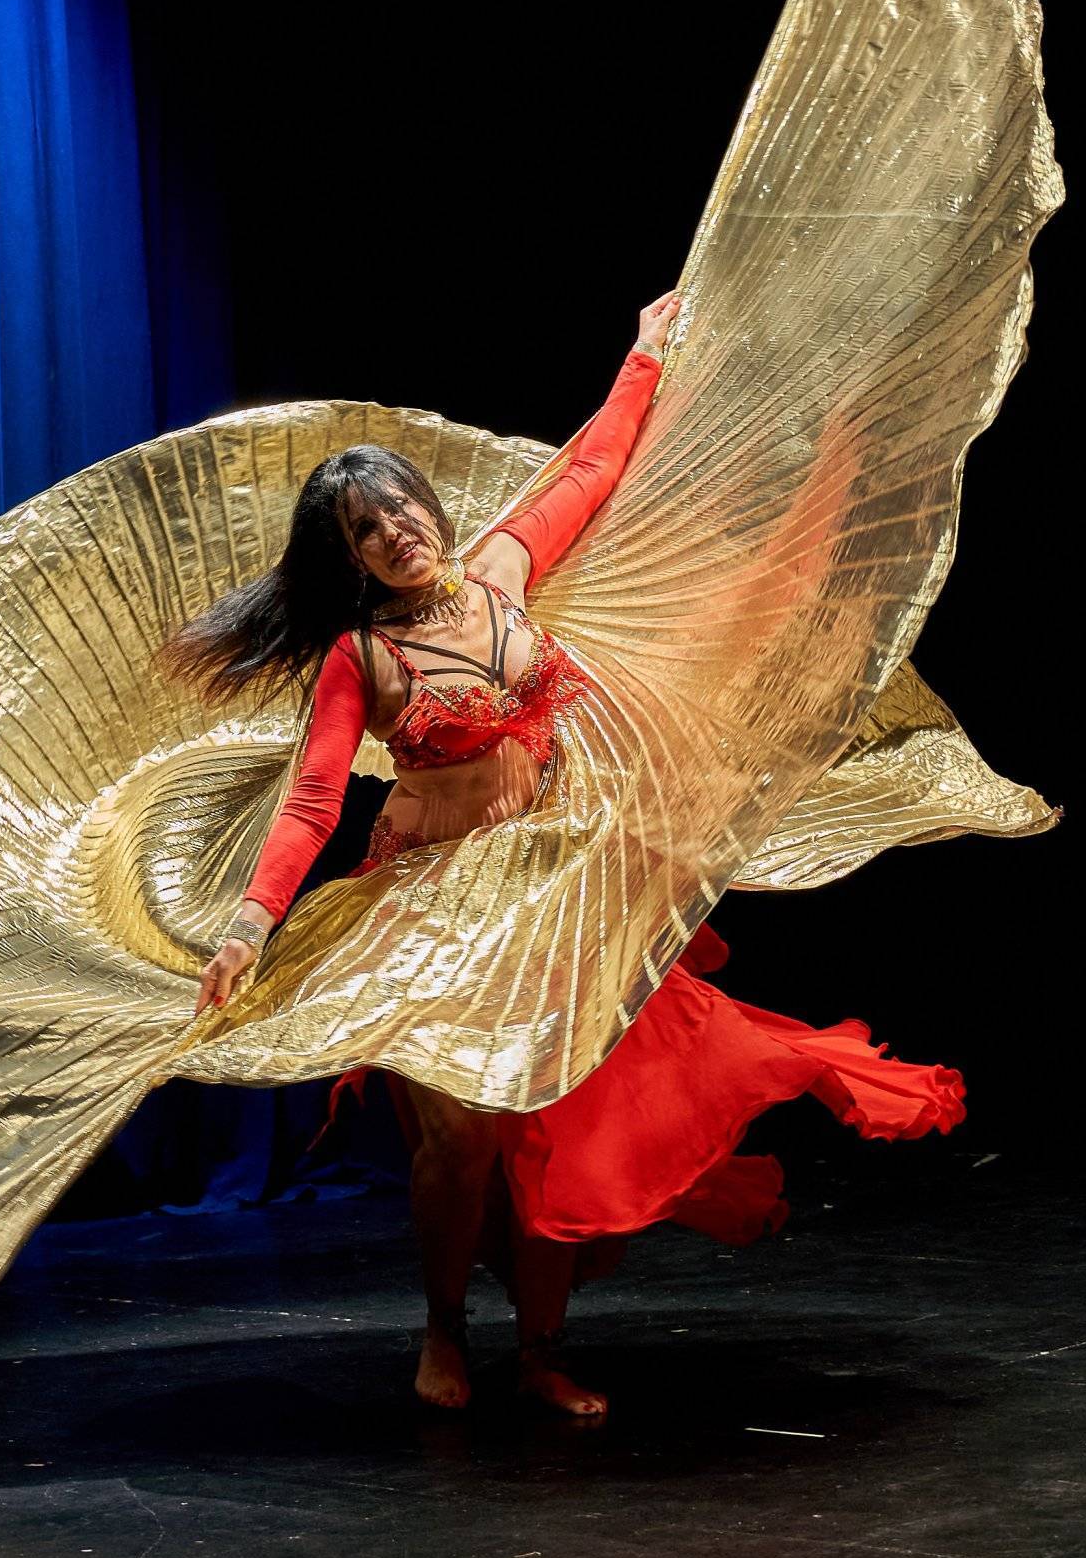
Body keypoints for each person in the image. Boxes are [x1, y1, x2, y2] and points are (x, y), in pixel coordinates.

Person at [157, 292, 966, 1418]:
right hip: (429, 912)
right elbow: (310, 800)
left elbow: (588, 472)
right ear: (349, 558)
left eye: (402, 508)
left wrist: (644, 356)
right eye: (368, 530)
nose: (398, 531)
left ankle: (540, 1350)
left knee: (556, 1114)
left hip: (549, 887)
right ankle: (443, 1333)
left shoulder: (498, 575)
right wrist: (248, 924)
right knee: (461, 1141)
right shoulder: (360, 656)